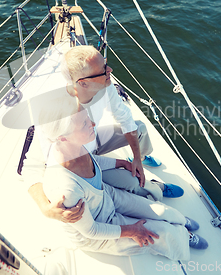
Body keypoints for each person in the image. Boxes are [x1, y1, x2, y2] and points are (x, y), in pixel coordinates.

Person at [26, 45, 182, 223]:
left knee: (139, 129)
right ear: (83, 82)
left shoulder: (105, 87)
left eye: (105, 64)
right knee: (132, 182)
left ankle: (142, 160)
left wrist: (136, 157)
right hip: (78, 162)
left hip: (94, 140)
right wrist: (46, 208)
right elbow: (31, 167)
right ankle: (154, 189)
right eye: (103, 70)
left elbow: (124, 117)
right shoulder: (54, 111)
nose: (110, 70)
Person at [39, 95, 208, 259]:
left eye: (88, 118)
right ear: (63, 137)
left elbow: (92, 160)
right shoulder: (66, 190)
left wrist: (121, 163)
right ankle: (182, 236)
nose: (93, 124)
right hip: (99, 228)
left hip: (106, 196)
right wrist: (132, 230)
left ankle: (179, 220)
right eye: (84, 124)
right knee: (163, 233)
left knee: (164, 211)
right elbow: (92, 231)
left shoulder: (72, 147)